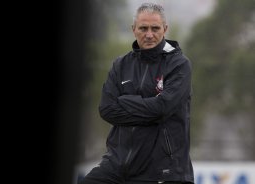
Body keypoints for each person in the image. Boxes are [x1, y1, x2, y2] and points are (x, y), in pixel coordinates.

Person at [79, 3, 194, 184]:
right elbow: (107, 109)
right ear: (134, 30)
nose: (149, 34)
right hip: (117, 165)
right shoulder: (120, 65)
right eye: (143, 28)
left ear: (165, 29)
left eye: (155, 28)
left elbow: (163, 108)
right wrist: (150, 108)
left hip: (163, 170)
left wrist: (125, 101)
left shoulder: (179, 64)